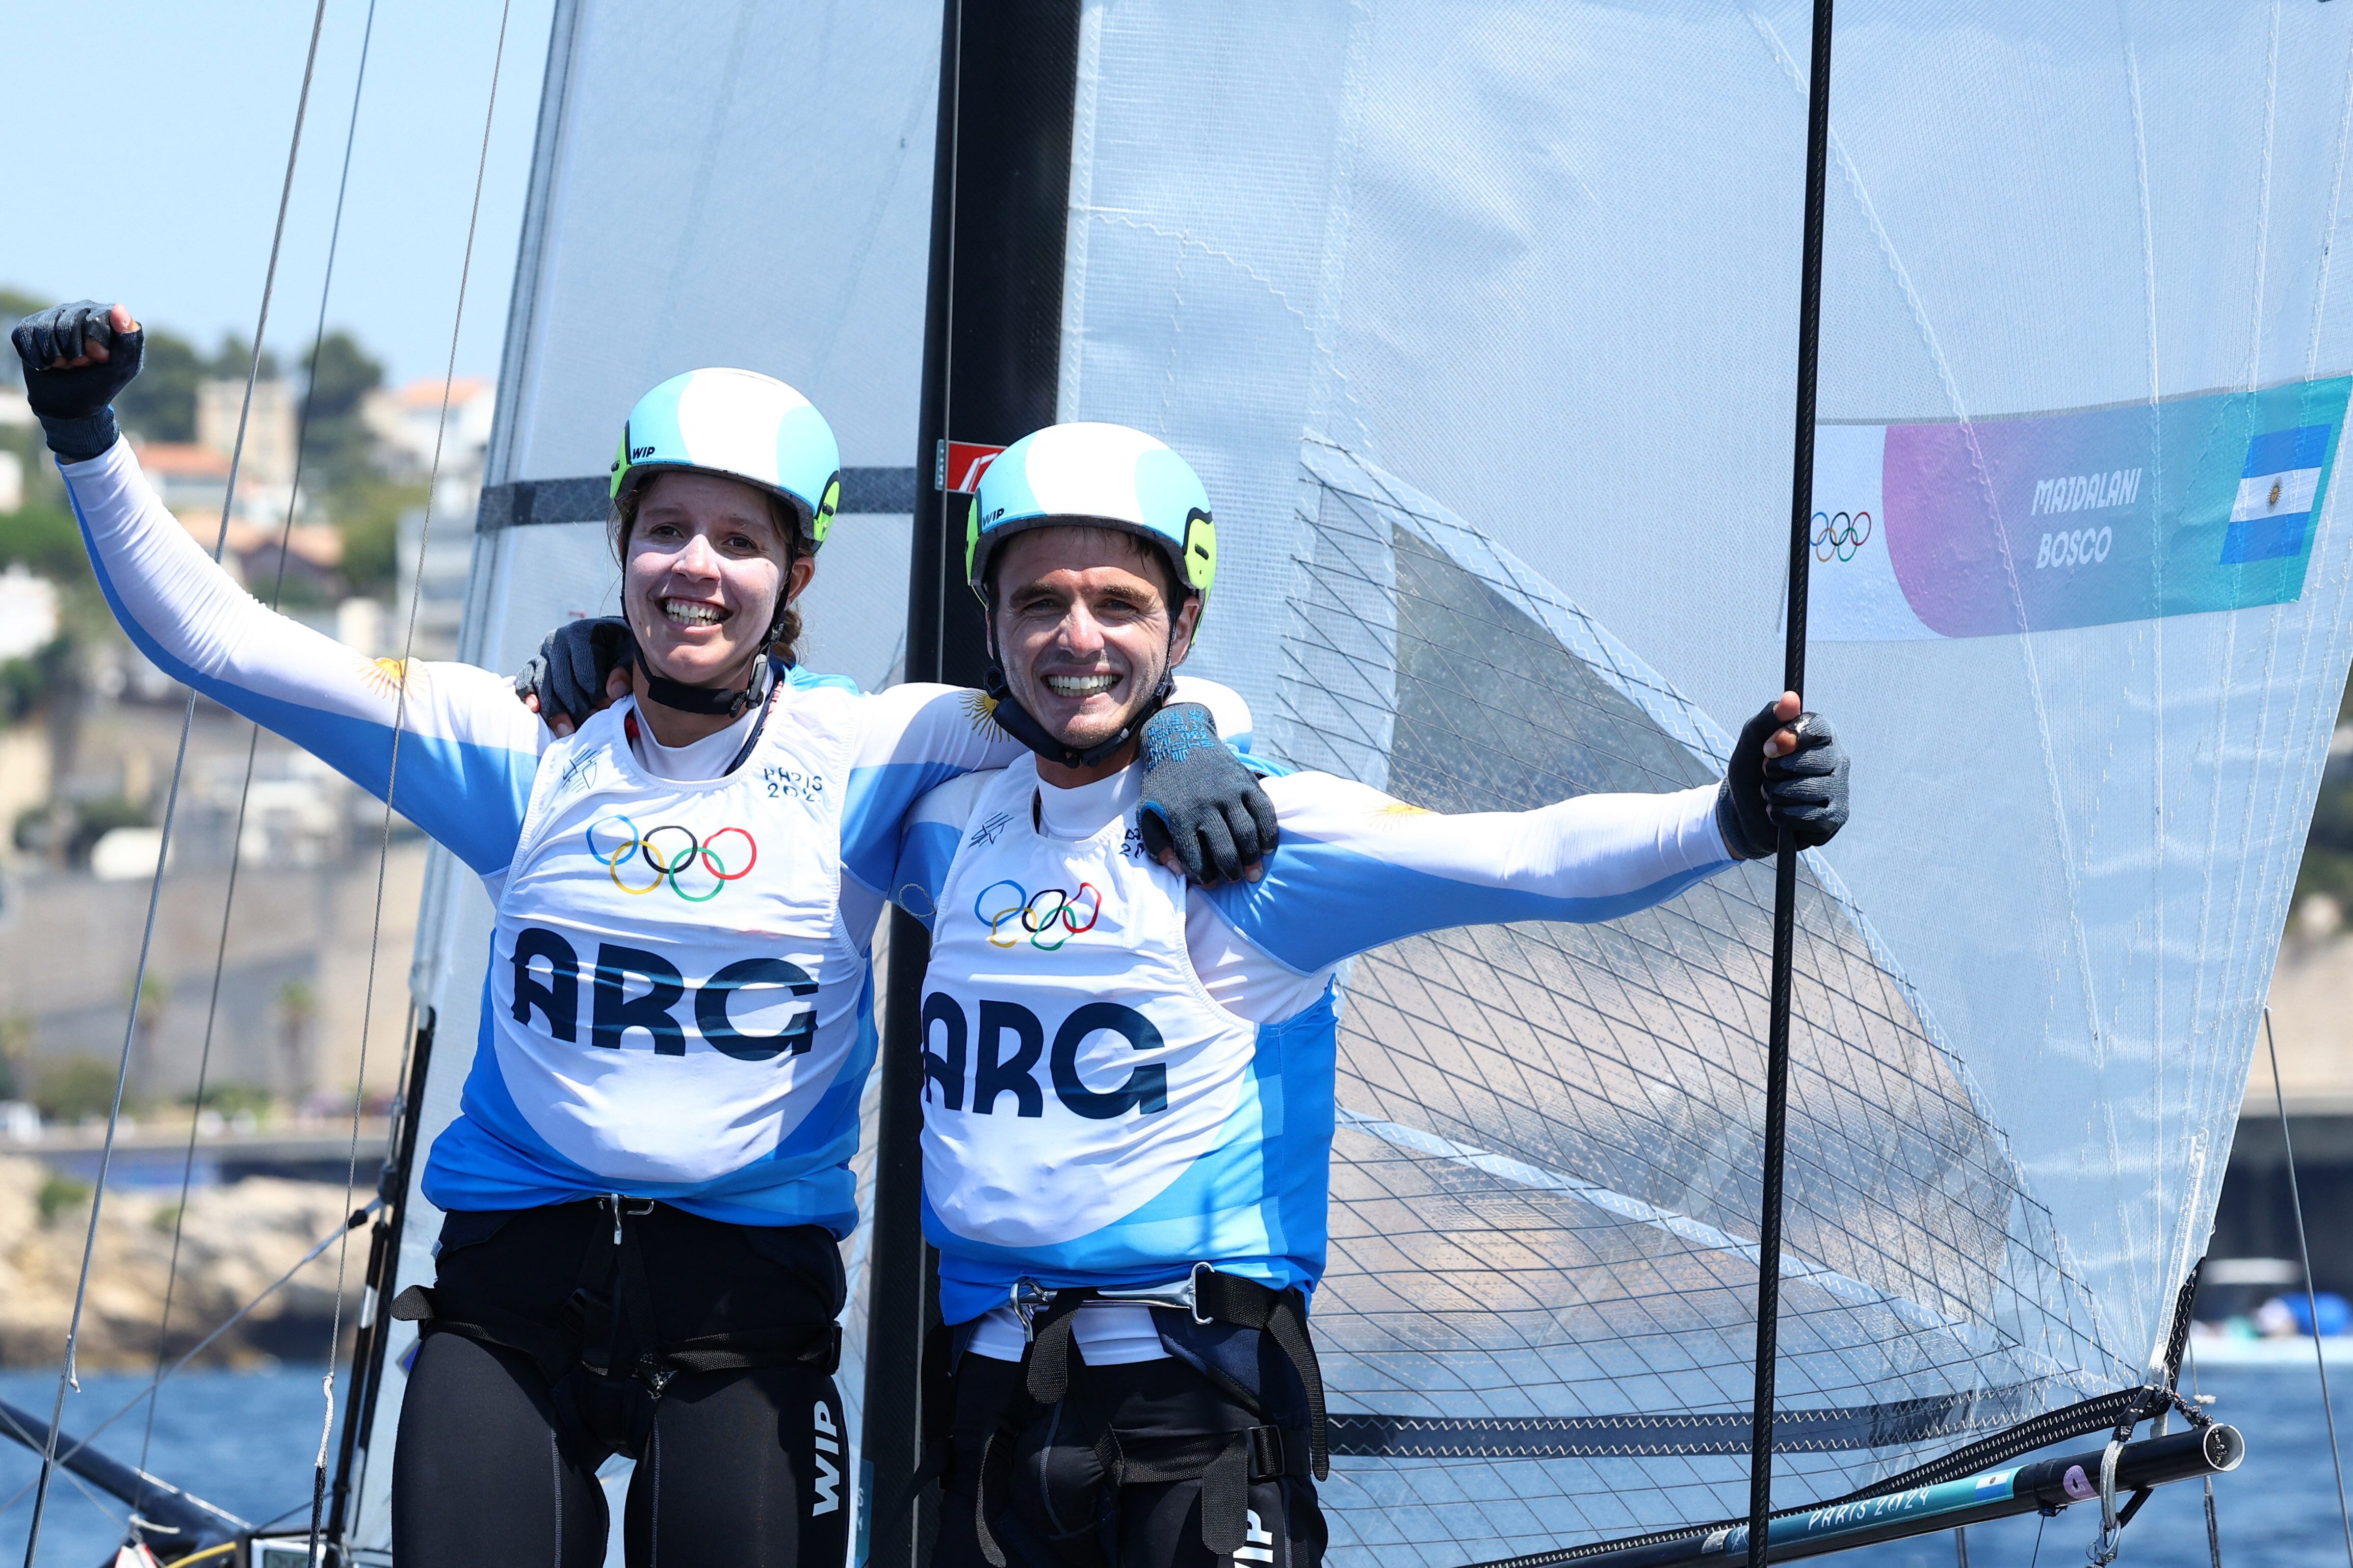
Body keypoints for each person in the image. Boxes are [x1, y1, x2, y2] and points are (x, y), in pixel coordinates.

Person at [11, 303, 1272, 1568]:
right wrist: (84, 433)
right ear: (620, 547)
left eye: (738, 541)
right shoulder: (521, 746)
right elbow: (220, 642)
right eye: (664, 532)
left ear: (797, 576)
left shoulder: (874, 749)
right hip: (510, 1313)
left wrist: (1187, 736)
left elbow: (1093, 676)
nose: (696, 569)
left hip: (742, 1328)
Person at [883, 422, 1851, 1568]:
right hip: (993, 1411)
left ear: (1183, 625)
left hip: (1193, 1415)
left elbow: (1524, 860)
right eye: (1038, 602)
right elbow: (759, 736)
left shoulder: (1257, 841)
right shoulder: (942, 816)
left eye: (1119, 604)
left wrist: (1726, 815)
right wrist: (610, 667)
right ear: (990, 621)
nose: (1075, 638)